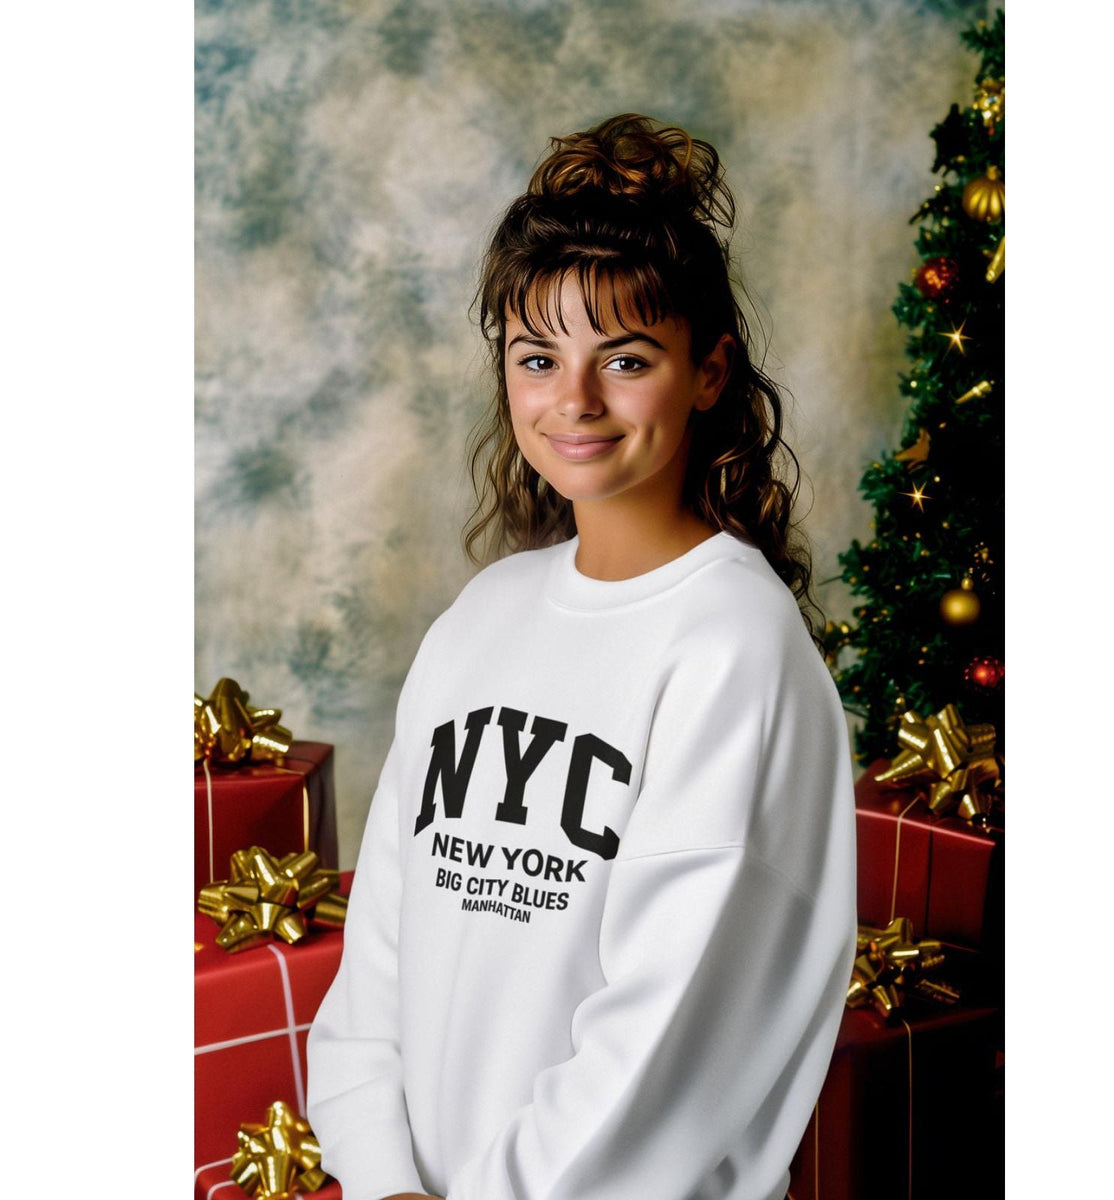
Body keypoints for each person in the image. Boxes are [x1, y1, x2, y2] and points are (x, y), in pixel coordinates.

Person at [306, 113, 857, 1200]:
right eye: (538, 357)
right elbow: (377, 966)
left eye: (627, 358)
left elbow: (671, 1030)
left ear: (708, 373)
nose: (576, 401)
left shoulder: (734, 646)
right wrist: (384, 1181)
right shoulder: (482, 618)